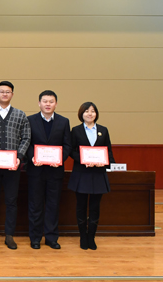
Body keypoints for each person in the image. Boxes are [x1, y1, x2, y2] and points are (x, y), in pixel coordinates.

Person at [0, 81, 30, 250]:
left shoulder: (20, 115)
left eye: (8, 92)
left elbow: (26, 137)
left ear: (12, 95)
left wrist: (19, 157)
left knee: (11, 201)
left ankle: (9, 235)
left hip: (12, 166)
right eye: (1, 91)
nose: (4, 94)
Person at [26, 90, 72, 250]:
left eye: (51, 101)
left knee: (53, 205)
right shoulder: (30, 120)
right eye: (45, 101)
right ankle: (35, 238)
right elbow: (26, 142)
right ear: (39, 103)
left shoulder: (63, 122)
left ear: (56, 104)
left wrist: (59, 159)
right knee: (35, 205)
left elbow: (67, 145)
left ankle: (51, 238)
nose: (48, 104)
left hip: (55, 171)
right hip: (35, 171)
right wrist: (32, 157)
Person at [68, 101, 115, 250]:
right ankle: (83, 236)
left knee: (95, 207)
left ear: (96, 114)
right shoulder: (76, 130)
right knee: (81, 206)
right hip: (82, 174)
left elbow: (108, 151)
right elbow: (71, 151)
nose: (90, 114)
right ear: (81, 114)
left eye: (93, 111)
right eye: (86, 111)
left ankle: (91, 237)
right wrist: (83, 159)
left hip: (98, 174)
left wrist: (106, 163)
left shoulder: (103, 130)